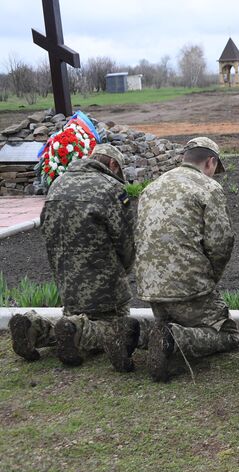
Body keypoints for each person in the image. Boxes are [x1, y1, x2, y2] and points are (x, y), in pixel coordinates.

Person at [9, 144, 139, 372]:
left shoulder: (59, 184)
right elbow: (126, 242)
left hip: (67, 283)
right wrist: (124, 271)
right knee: (116, 328)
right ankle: (79, 332)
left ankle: (34, 327)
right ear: (113, 165)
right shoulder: (111, 188)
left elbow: (45, 229)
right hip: (105, 287)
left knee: (69, 323)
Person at [134, 137, 239, 382]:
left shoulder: (153, 187)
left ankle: (134, 333)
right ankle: (172, 339)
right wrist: (209, 278)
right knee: (228, 334)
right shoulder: (207, 187)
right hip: (189, 287)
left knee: (171, 319)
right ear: (211, 162)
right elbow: (221, 243)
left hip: (150, 287)